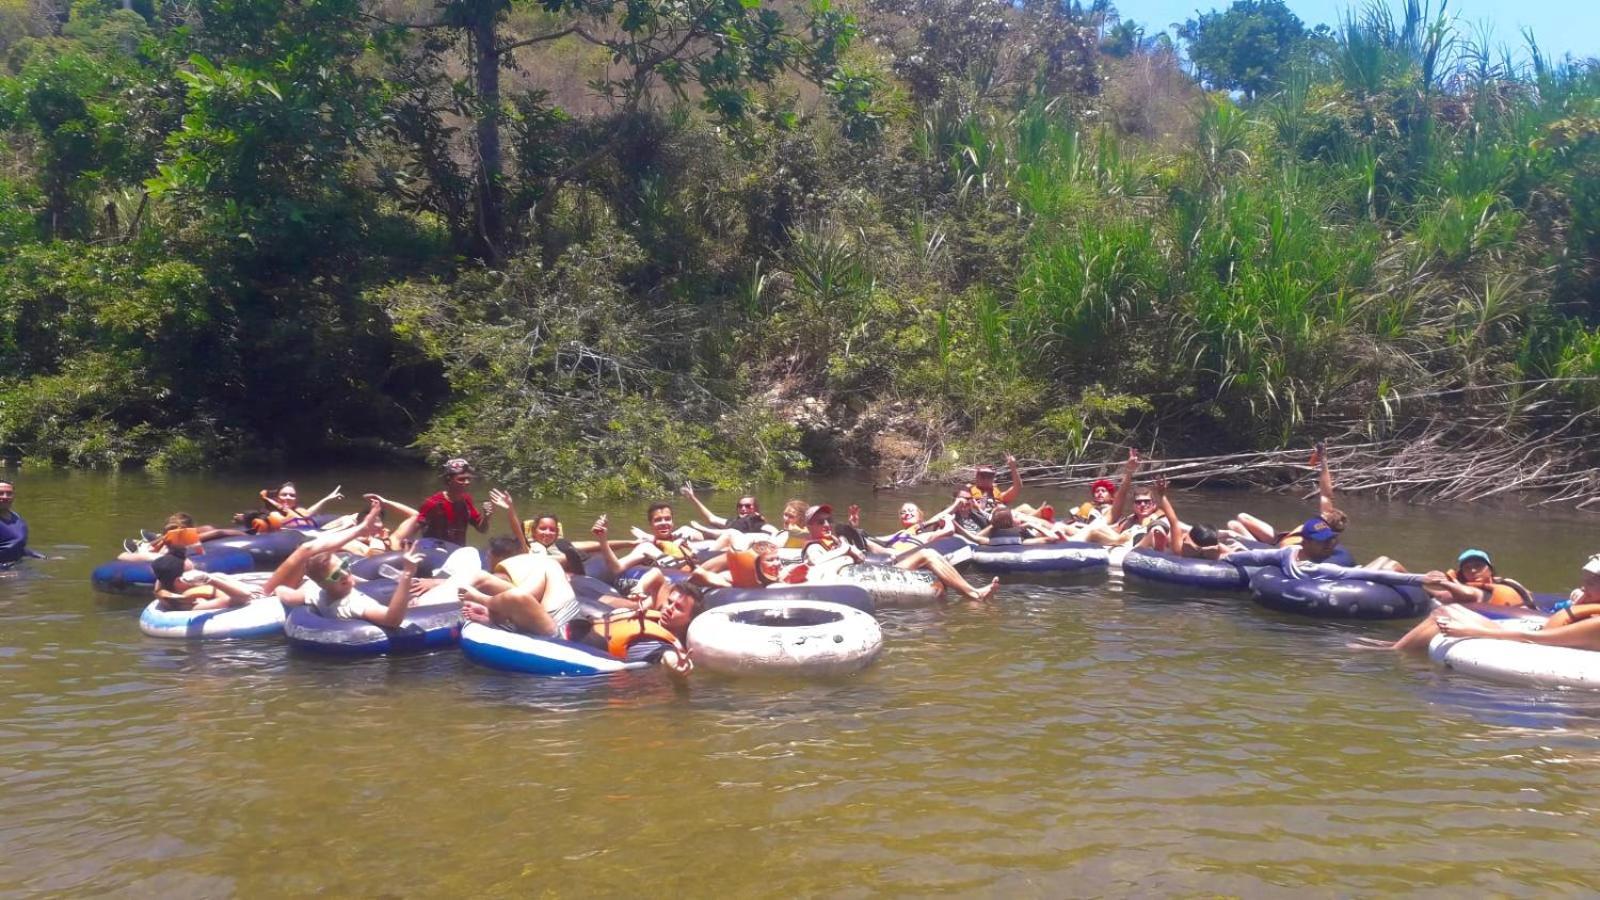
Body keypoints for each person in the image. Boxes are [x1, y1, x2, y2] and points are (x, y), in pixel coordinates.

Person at [263, 501, 422, 628]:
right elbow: (392, 620)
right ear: (323, 584)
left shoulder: (315, 592)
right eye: (336, 574)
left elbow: (287, 594)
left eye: (345, 565)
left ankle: (361, 530)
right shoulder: (353, 605)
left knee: (307, 550)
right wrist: (407, 575)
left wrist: (277, 589)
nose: (345, 573)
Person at [1423, 555, 1600, 651]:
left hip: (1537, 643)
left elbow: (1541, 639)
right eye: (1584, 581)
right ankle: (1400, 654)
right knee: (1448, 611)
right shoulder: (1588, 609)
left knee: (1447, 613)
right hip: (1538, 633)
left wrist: (1472, 631)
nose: (1583, 587)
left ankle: (1403, 662)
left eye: (1591, 582)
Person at [1228, 442, 1349, 547]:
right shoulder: (1324, 519)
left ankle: (1254, 545)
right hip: (1279, 538)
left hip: (1276, 549)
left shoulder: (1319, 538)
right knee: (1242, 516)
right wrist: (1323, 459)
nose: (1323, 514)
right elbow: (1326, 494)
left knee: (1233, 525)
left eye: (1325, 515)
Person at [149, 551, 260, 612]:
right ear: (180, 579)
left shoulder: (163, 583)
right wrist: (211, 581)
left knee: (218, 575)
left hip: (246, 585)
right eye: (191, 571)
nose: (195, 572)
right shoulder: (191, 603)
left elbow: (161, 577)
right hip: (253, 598)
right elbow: (244, 596)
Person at [417, 458, 493, 545]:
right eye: (461, 479)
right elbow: (414, 527)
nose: (467, 482)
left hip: (457, 551)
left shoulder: (466, 500)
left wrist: (487, 516)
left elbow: (482, 530)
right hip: (435, 551)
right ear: (448, 480)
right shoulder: (433, 503)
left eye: (468, 479)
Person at [117, 513, 248, 561]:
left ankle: (145, 544)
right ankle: (142, 546)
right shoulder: (188, 537)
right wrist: (245, 534)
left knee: (122, 555)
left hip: (159, 552)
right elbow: (219, 533)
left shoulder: (177, 535)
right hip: (159, 556)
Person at [0, 480, 42, 566]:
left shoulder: (16, 518)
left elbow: (17, 546)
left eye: (9, 493)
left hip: (15, 566)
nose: (5, 497)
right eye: (1, 493)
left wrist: (42, 557)